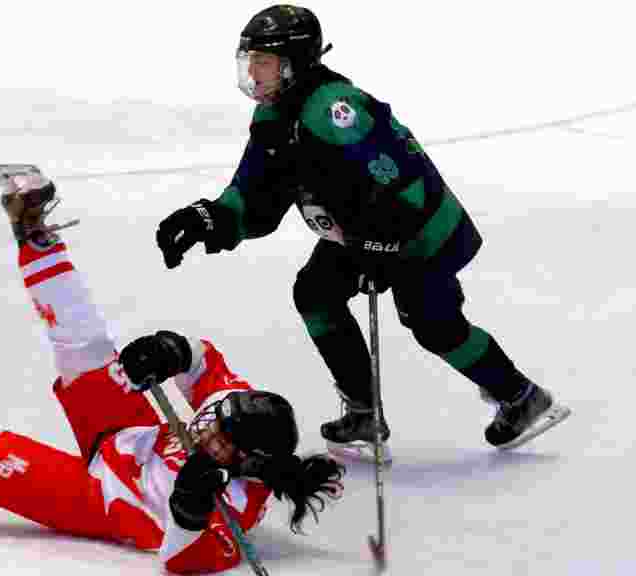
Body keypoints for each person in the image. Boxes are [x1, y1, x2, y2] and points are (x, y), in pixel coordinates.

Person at [0, 164, 346, 574]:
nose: (207, 426)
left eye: (219, 437)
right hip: (126, 431)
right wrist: (167, 350)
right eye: (214, 419)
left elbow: (179, 560)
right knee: (83, 336)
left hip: (99, 496)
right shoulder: (232, 406)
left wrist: (189, 508)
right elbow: (204, 360)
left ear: (248, 461)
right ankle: (32, 228)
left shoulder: (237, 505)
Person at [154, 5, 570, 455]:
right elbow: (256, 195)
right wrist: (210, 218)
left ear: (295, 63)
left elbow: (400, 181)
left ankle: (523, 397)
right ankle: (364, 412)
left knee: (434, 326)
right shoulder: (273, 117)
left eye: (264, 61)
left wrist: (385, 243)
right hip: (360, 237)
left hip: (419, 235)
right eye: (249, 59)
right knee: (315, 294)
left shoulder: (335, 112)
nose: (253, 72)